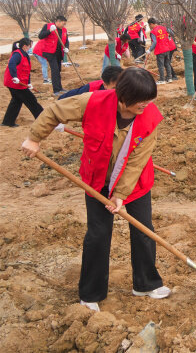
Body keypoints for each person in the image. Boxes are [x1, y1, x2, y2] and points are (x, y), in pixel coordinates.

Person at [20, 67, 170, 312]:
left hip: (135, 183)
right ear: (124, 96)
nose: (146, 105)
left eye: (149, 99)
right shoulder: (93, 102)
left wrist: (120, 195)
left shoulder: (150, 117)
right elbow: (55, 111)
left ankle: (146, 284)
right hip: (97, 180)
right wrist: (34, 138)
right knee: (98, 236)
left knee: (143, 231)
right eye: (141, 101)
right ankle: (91, 294)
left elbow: (136, 162)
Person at [2, 38, 43, 127]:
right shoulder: (17, 54)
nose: (30, 48)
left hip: (20, 83)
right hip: (14, 83)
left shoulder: (24, 54)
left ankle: (8, 122)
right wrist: (14, 76)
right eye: (29, 46)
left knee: (16, 101)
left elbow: (26, 70)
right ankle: (43, 119)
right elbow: (11, 64)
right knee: (31, 100)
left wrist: (29, 83)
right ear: (25, 46)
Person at [34, 15, 69, 96]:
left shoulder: (64, 30)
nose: (64, 25)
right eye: (63, 24)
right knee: (55, 70)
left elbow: (66, 40)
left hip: (59, 53)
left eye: (65, 24)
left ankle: (60, 88)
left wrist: (67, 47)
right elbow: (40, 36)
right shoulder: (48, 26)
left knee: (58, 70)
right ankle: (56, 90)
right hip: (49, 52)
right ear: (58, 22)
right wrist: (49, 31)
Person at [59, 66, 123, 99]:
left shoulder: (126, 88)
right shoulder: (90, 89)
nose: (118, 91)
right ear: (105, 85)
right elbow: (67, 97)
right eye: (114, 88)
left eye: (121, 87)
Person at [147, 18, 177, 84]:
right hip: (167, 48)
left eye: (149, 25)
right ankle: (169, 78)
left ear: (151, 24)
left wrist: (150, 50)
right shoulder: (163, 28)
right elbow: (170, 34)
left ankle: (162, 80)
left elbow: (154, 42)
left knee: (160, 65)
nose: (150, 27)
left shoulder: (153, 32)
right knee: (167, 64)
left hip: (160, 50)